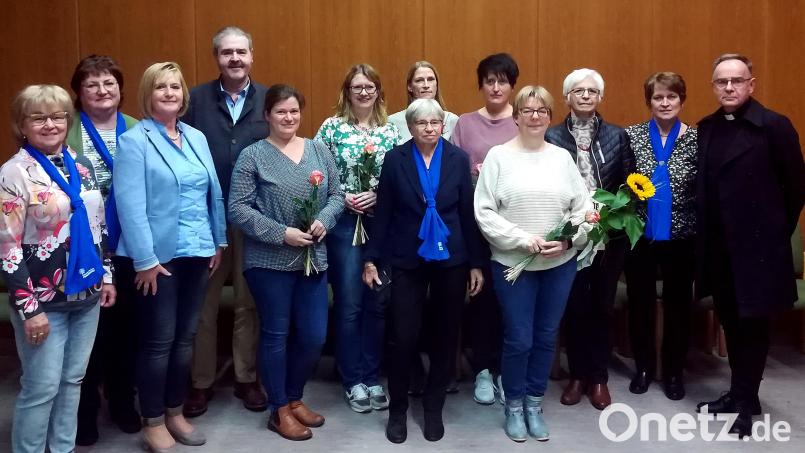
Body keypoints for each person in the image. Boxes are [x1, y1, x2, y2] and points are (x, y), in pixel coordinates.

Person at [114, 62, 227, 452]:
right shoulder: (134, 141)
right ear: (148, 93)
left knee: (185, 339)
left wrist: (218, 241)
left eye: (175, 87)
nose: (169, 93)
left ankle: (175, 410)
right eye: (160, 86)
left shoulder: (195, 136)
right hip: (156, 259)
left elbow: (214, 193)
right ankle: (153, 419)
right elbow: (130, 206)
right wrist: (144, 260)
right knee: (158, 342)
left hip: (198, 250)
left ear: (184, 95)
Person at [694, 53, 805, 437]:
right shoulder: (707, 127)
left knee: (753, 329)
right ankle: (740, 394)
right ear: (713, 86)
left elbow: (796, 190)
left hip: (758, 251)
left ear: (751, 84)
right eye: (721, 81)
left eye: (736, 81)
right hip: (720, 250)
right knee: (732, 324)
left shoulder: (774, 126)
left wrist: (772, 234)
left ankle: (746, 402)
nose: (729, 88)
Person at [1, 84, 115, 453]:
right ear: (22, 124)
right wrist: (28, 309)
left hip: (86, 293)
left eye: (57, 116)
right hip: (42, 301)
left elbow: (99, 226)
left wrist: (107, 275)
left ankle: (62, 449)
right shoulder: (14, 173)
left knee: (73, 382)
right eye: (39, 117)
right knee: (42, 387)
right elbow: (7, 248)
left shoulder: (80, 164)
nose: (50, 124)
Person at [363, 98, 484, 443]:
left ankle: (433, 408)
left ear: (443, 125)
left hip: (452, 258)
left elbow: (466, 213)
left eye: (435, 122)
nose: (429, 128)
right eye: (422, 123)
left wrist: (476, 262)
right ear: (411, 126)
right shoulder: (395, 158)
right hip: (406, 257)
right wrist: (372, 258)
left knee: (446, 337)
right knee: (404, 336)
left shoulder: (458, 159)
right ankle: (398, 410)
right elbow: (383, 212)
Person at [475, 85, 592, 442]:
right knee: (519, 338)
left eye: (542, 110)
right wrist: (524, 240)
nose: (536, 116)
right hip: (514, 265)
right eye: (528, 110)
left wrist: (570, 239)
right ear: (516, 116)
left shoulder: (561, 158)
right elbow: (484, 212)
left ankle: (534, 403)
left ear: (550, 116)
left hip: (560, 264)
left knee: (544, 337)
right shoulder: (497, 157)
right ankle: (513, 404)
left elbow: (585, 209)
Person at [229, 84, 345, 441]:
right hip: (269, 261)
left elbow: (338, 195)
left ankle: (295, 397)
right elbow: (237, 208)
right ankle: (278, 408)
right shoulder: (252, 156)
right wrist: (282, 233)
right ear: (267, 115)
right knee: (276, 335)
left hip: (313, 259)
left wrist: (325, 218)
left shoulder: (318, 150)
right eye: (281, 111)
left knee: (313, 336)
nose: (288, 117)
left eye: (294, 111)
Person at [182, 26, 268, 416]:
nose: (234, 59)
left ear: (252, 55)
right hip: (205, 217)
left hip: (253, 216)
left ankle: (246, 378)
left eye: (241, 52)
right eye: (226, 52)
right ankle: (199, 382)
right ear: (216, 57)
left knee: (249, 303)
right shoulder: (195, 100)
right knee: (204, 303)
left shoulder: (269, 99)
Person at [545, 68, 633, 410]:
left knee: (602, 306)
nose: (585, 95)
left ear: (600, 97)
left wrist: (613, 216)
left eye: (591, 90)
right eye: (578, 91)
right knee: (575, 306)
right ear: (566, 97)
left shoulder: (617, 135)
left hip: (608, 237)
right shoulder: (552, 137)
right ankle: (577, 375)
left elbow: (630, 185)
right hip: (570, 236)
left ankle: (598, 378)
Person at [315, 63, 400, 413]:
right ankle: (352, 380)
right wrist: (342, 196)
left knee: (377, 303)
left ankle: (372, 374)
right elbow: (316, 173)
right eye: (356, 87)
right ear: (347, 91)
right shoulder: (331, 127)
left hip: (382, 225)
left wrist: (379, 195)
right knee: (349, 303)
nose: (363, 92)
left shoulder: (391, 130)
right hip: (345, 224)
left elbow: (400, 177)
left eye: (370, 86)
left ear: (378, 90)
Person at [66, 54, 141, 445]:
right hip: (85, 246)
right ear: (79, 92)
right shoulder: (66, 131)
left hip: (129, 246)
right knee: (87, 333)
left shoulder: (138, 129)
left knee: (126, 330)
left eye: (109, 82)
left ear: (120, 88)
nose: (102, 90)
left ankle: (123, 400)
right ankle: (86, 410)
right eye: (92, 84)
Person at [623, 72, 697, 401]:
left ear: (681, 100)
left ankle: (673, 372)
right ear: (649, 101)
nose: (664, 103)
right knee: (640, 304)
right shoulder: (633, 135)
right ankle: (643, 368)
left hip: (682, 237)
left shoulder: (697, 138)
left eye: (671, 97)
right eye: (657, 97)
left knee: (678, 306)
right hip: (641, 235)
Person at [451, 52, 519, 405]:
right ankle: (481, 370)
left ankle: (507, 370)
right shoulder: (464, 123)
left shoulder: (523, 121)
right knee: (481, 297)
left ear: (512, 86)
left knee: (512, 300)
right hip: (475, 224)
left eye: (502, 80)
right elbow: (454, 175)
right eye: (489, 80)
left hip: (515, 225)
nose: (495, 87)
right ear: (481, 85)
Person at [388, 61, 459, 144]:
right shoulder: (392, 122)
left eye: (430, 79)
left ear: (436, 84)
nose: (426, 85)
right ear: (410, 87)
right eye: (419, 80)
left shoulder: (452, 120)